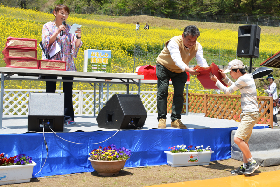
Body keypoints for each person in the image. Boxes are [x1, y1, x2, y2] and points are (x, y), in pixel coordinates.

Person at [210, 59, 259, 175]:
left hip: (250, 114)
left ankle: (252, 162)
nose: (230, 74)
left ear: (237, 70)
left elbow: (228, 91)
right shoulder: (246, 78)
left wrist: (216, 81)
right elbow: (234, 86)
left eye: (231, 72)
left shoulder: (243, 79)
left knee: (237, 139)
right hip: (250, 113)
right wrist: (224, 78)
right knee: (244, 141)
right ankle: (246, 165)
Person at [156, 25, 208, 129]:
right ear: (183, 36)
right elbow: (177, 60)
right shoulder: (174, 42)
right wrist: (188, 69)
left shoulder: (198, 46)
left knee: (179, 94)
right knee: (163, 91)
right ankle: (162, 118)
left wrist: (207, 70)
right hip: (164, 66)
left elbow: (201, 61)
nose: (191, 43)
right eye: (189, 40)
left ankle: (175, 119)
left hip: (180, 70)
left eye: (194, 40)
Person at [41, 4, 82, 125]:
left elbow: (75, 46)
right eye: (62, 13)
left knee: (68, 90)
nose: (65, 16)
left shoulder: (70, 28)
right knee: (50, 89)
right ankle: (50, 118)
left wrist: (79, 36)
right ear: (55, 13)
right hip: (53, 63)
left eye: (66, 13)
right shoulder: (47, 26)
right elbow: (45, 43)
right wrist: (57, 31)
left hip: (67, 62)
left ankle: (68, 117)